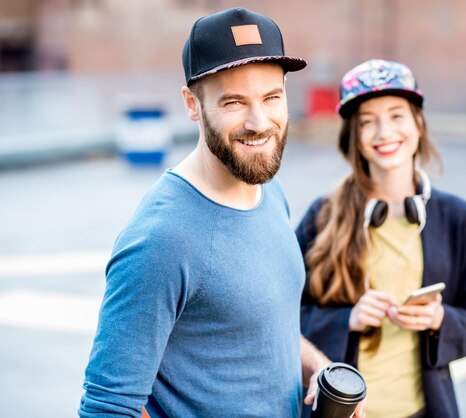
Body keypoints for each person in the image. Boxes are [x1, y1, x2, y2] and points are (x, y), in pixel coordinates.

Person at [79, 8, 346, 418]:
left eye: (272, 97)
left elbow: (263, 327)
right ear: (192, 104)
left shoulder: (267, 189)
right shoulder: (162, 238)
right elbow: (107, 408)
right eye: (235, 101)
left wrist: (315, 365)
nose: (259, 122)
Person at [297, 59, 466, 418]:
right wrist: (347, 320)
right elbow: (281, 317)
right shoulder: (322, 216)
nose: (384, 132)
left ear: (418, 124)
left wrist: (439, 319)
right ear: (353, 136)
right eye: (368, 122)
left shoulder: (458, 219)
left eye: (396, 116)